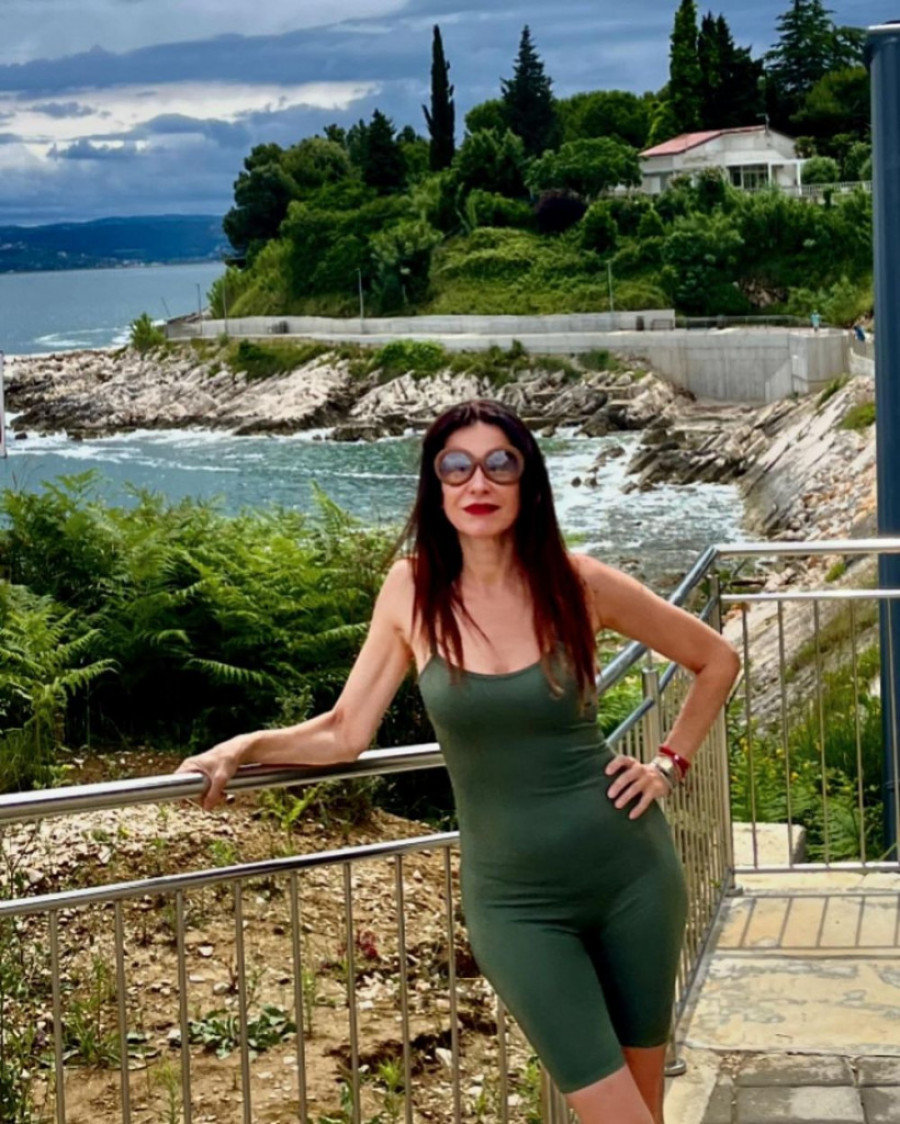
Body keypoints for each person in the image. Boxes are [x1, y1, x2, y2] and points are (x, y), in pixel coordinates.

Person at [176, 399, 740, 1124]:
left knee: (643, 1111)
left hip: (632, 874)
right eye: (457, 466)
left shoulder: (579, 583)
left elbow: (715, 659)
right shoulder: (412, 590)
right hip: (515, 904)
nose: (479, 481)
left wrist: (667, 765)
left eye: (500, 464)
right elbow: (345, 732)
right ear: (435, 485)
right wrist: (244, 747)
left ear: (528, 481)